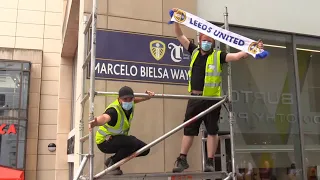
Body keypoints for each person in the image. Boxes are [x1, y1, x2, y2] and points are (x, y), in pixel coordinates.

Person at [170, 8, 265, 173]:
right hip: (195, 99)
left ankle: (210, 161)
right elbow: (179, 36)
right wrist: (177, 21)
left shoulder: (218, 55)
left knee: (212, 130)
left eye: (210, 41)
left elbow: (235, 57)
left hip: (212, 100)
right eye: (204, 40)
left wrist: (251, 50)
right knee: (189, 129)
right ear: (200, 41)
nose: (207, 43)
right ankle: (182, 159)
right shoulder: (193, 51)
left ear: (213, 43)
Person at [89, 86, 155, 175]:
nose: (128, 101)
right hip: (104, 142)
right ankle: (113, 162)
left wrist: (147, 97)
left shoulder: (130, 104)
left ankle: (112, 161)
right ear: (119, 99)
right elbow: (105, 117)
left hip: (118, 139)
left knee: (145, 149)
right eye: (125, 99)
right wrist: (96, 122)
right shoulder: (114, 110)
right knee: (132, 142)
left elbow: (135, 100)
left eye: (130, 99)